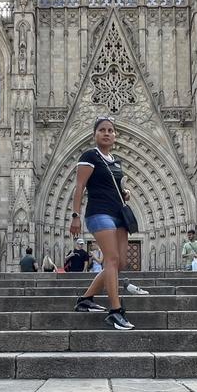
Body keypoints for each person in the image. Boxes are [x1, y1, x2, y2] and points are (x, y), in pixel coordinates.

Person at [69, 116, 135, 330]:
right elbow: (79, 187)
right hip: (99, 213)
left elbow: (113, 186)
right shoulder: (89, 156)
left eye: (110, 130)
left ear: (115, 135)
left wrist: (125, 194)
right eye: (102, 130)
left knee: (121, 263)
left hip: (119, 214)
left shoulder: (115, 161)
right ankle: (115, 311)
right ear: (94, 134)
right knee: (112, 259)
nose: (107, 133)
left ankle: (86, 299)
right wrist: (75, 215)